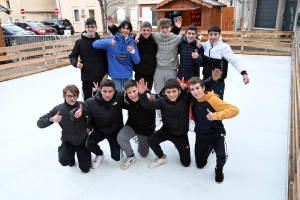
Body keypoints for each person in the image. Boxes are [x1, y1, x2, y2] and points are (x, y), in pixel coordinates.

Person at [136, 70, 221, 169]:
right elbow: (148, 104)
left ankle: (208, 146)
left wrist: (213, 79)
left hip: (181, 134)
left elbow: (200, 87)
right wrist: (142, 94)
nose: (171, 94)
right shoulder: (162, 101)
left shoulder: (186, 98)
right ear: (165, 92)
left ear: (179, 91)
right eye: (168, 92)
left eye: (174, 91)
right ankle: (162, 157)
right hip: (167, 130)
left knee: (186, 163)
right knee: (151, 140)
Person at [187, 77, 239, 183]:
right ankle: (211, 147)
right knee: (200, 165)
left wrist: (216, 115)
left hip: (216, 133)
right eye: (192, 89)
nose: (195, 92)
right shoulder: (192, 100)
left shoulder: (212, 99)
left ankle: (218, 170)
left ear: (203, 88)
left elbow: (235, 110)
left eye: (197, 88)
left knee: (221, 156)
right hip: (201, 135)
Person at [108, 17, 181, 91]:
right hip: (139, 71)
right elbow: (123, 34)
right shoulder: (136, 39)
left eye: (148, 30)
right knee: (139, 91)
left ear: (151, 31)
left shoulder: (155, 39)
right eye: (144, 30)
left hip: (151, 71)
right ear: (141, 30)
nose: (146, 32)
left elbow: (169, 35)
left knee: (148, 91)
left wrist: (177, 28)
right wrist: (112, 27)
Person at [135, 17, 183, 124]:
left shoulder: (177, 38)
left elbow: (190, 38)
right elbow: (144, 34)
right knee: (158, 92)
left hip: (171, 69)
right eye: (162, 28)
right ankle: (159, 115)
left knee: (172, 92)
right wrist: (137, 36)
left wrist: (197, 42)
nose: (164, 30)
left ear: (170, 28)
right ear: (159, 29)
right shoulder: (156, 36)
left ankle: (171, 114)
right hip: (159, 68)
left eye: (166, 27)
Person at [37, 85, 91, 173]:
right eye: (69, 96)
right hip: (68, 142)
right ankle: (70, 156)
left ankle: (81, 155)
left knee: (85, 169)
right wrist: (51, 119)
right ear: (64, 96)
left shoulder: (83, 105)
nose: (72, 98)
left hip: (82, 142)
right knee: (64, 161)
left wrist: (89, 128)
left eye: (75, 95)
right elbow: (40, 123)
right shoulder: (59, 109)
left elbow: (94, 117)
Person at [70, 79, 123, 169]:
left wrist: (147, 92)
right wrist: (75, 113)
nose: (107, 94)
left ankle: (119, 145)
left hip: (114, 130)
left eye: (110, 91)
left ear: (114, 90)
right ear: (100, 90)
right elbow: (79, 110)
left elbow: (133, 92)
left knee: (117, 157)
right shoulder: (91, 102)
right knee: (89, 143)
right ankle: (100, 154)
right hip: (100, 129)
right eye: (104, 91)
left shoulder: (119, 96)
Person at [198, 25, 250, 100]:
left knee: (218, 103)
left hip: (218, 81)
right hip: (206, 79)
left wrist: (244, 73)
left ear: (219, 35)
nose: (213, 37)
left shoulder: (224, 47)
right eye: (211, 34)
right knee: (205, 101)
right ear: (208, 35)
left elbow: (235, 61)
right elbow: (198, 43)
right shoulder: (206, 45)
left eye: (215, 34)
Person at [117, 79, 156, 170]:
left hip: (145, 130)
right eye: (129, 92)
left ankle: (139, 139)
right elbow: (113, 96)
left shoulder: (150, 99)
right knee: (121, 137)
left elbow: (164, 99)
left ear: (139, 89)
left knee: (144, 154)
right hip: (132, 126)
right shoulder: (127, 100)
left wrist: (147, 91)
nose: (132, 94)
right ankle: (131, 156)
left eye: (134, 91)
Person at [92, 20, 140, 90]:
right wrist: (108, 42)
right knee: (117, 97)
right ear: (119, 29)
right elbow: (95, 44)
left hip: (127, 75)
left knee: (127, 98)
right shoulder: (111, 39)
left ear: (130, 31)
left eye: (127, 29)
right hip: (115, 75)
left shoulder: (133, 42)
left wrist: (132, 51)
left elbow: (137, 61)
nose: (125, 30)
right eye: (123, 28)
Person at [69, 18, 108, 100]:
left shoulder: (101, 42)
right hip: (86, 77)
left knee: (101, 100)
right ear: (85, 28)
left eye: (93, 27)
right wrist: (76, 63)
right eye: (88, 27)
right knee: (87, 101)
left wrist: (106, 73)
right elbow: (72, 56)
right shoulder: (79, 42)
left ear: (96, 28)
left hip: (100, 77)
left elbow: (106, 59)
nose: (90, 29)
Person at [177, 24, 204, 131]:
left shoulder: (199, 46)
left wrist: (197, 58)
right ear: (186, 34)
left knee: (193, 99)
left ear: (196, 35)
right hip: (182, 76)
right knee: (181, 99)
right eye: (189, 33)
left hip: (193, 77)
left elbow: (202, 63)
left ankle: (192, 119)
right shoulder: (181, 44)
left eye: (193, 34)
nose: (191, 35)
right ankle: (181, 118)